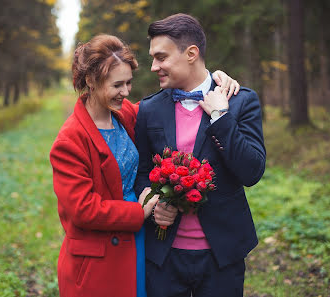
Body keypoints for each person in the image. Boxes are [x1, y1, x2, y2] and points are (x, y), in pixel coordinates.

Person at [50, 34, 240, 297]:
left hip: (136, 244)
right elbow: (82, 210)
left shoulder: (125, 114)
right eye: (117, 85)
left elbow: (167, 108)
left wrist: (214, 79)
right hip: (100, 255)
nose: (126, 92)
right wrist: (138, 213)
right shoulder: (70, 140)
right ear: (91, 82)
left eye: (129, 83)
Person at [134, 14, 266, 297]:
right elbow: (142, 172)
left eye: (161, 57)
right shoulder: (148, 109)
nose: (153, 66)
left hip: (223, 255)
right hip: (164, 256)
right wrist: (154, 206)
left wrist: (220, 117)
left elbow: (252, 171)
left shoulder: (242, 101)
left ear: (191, 53)